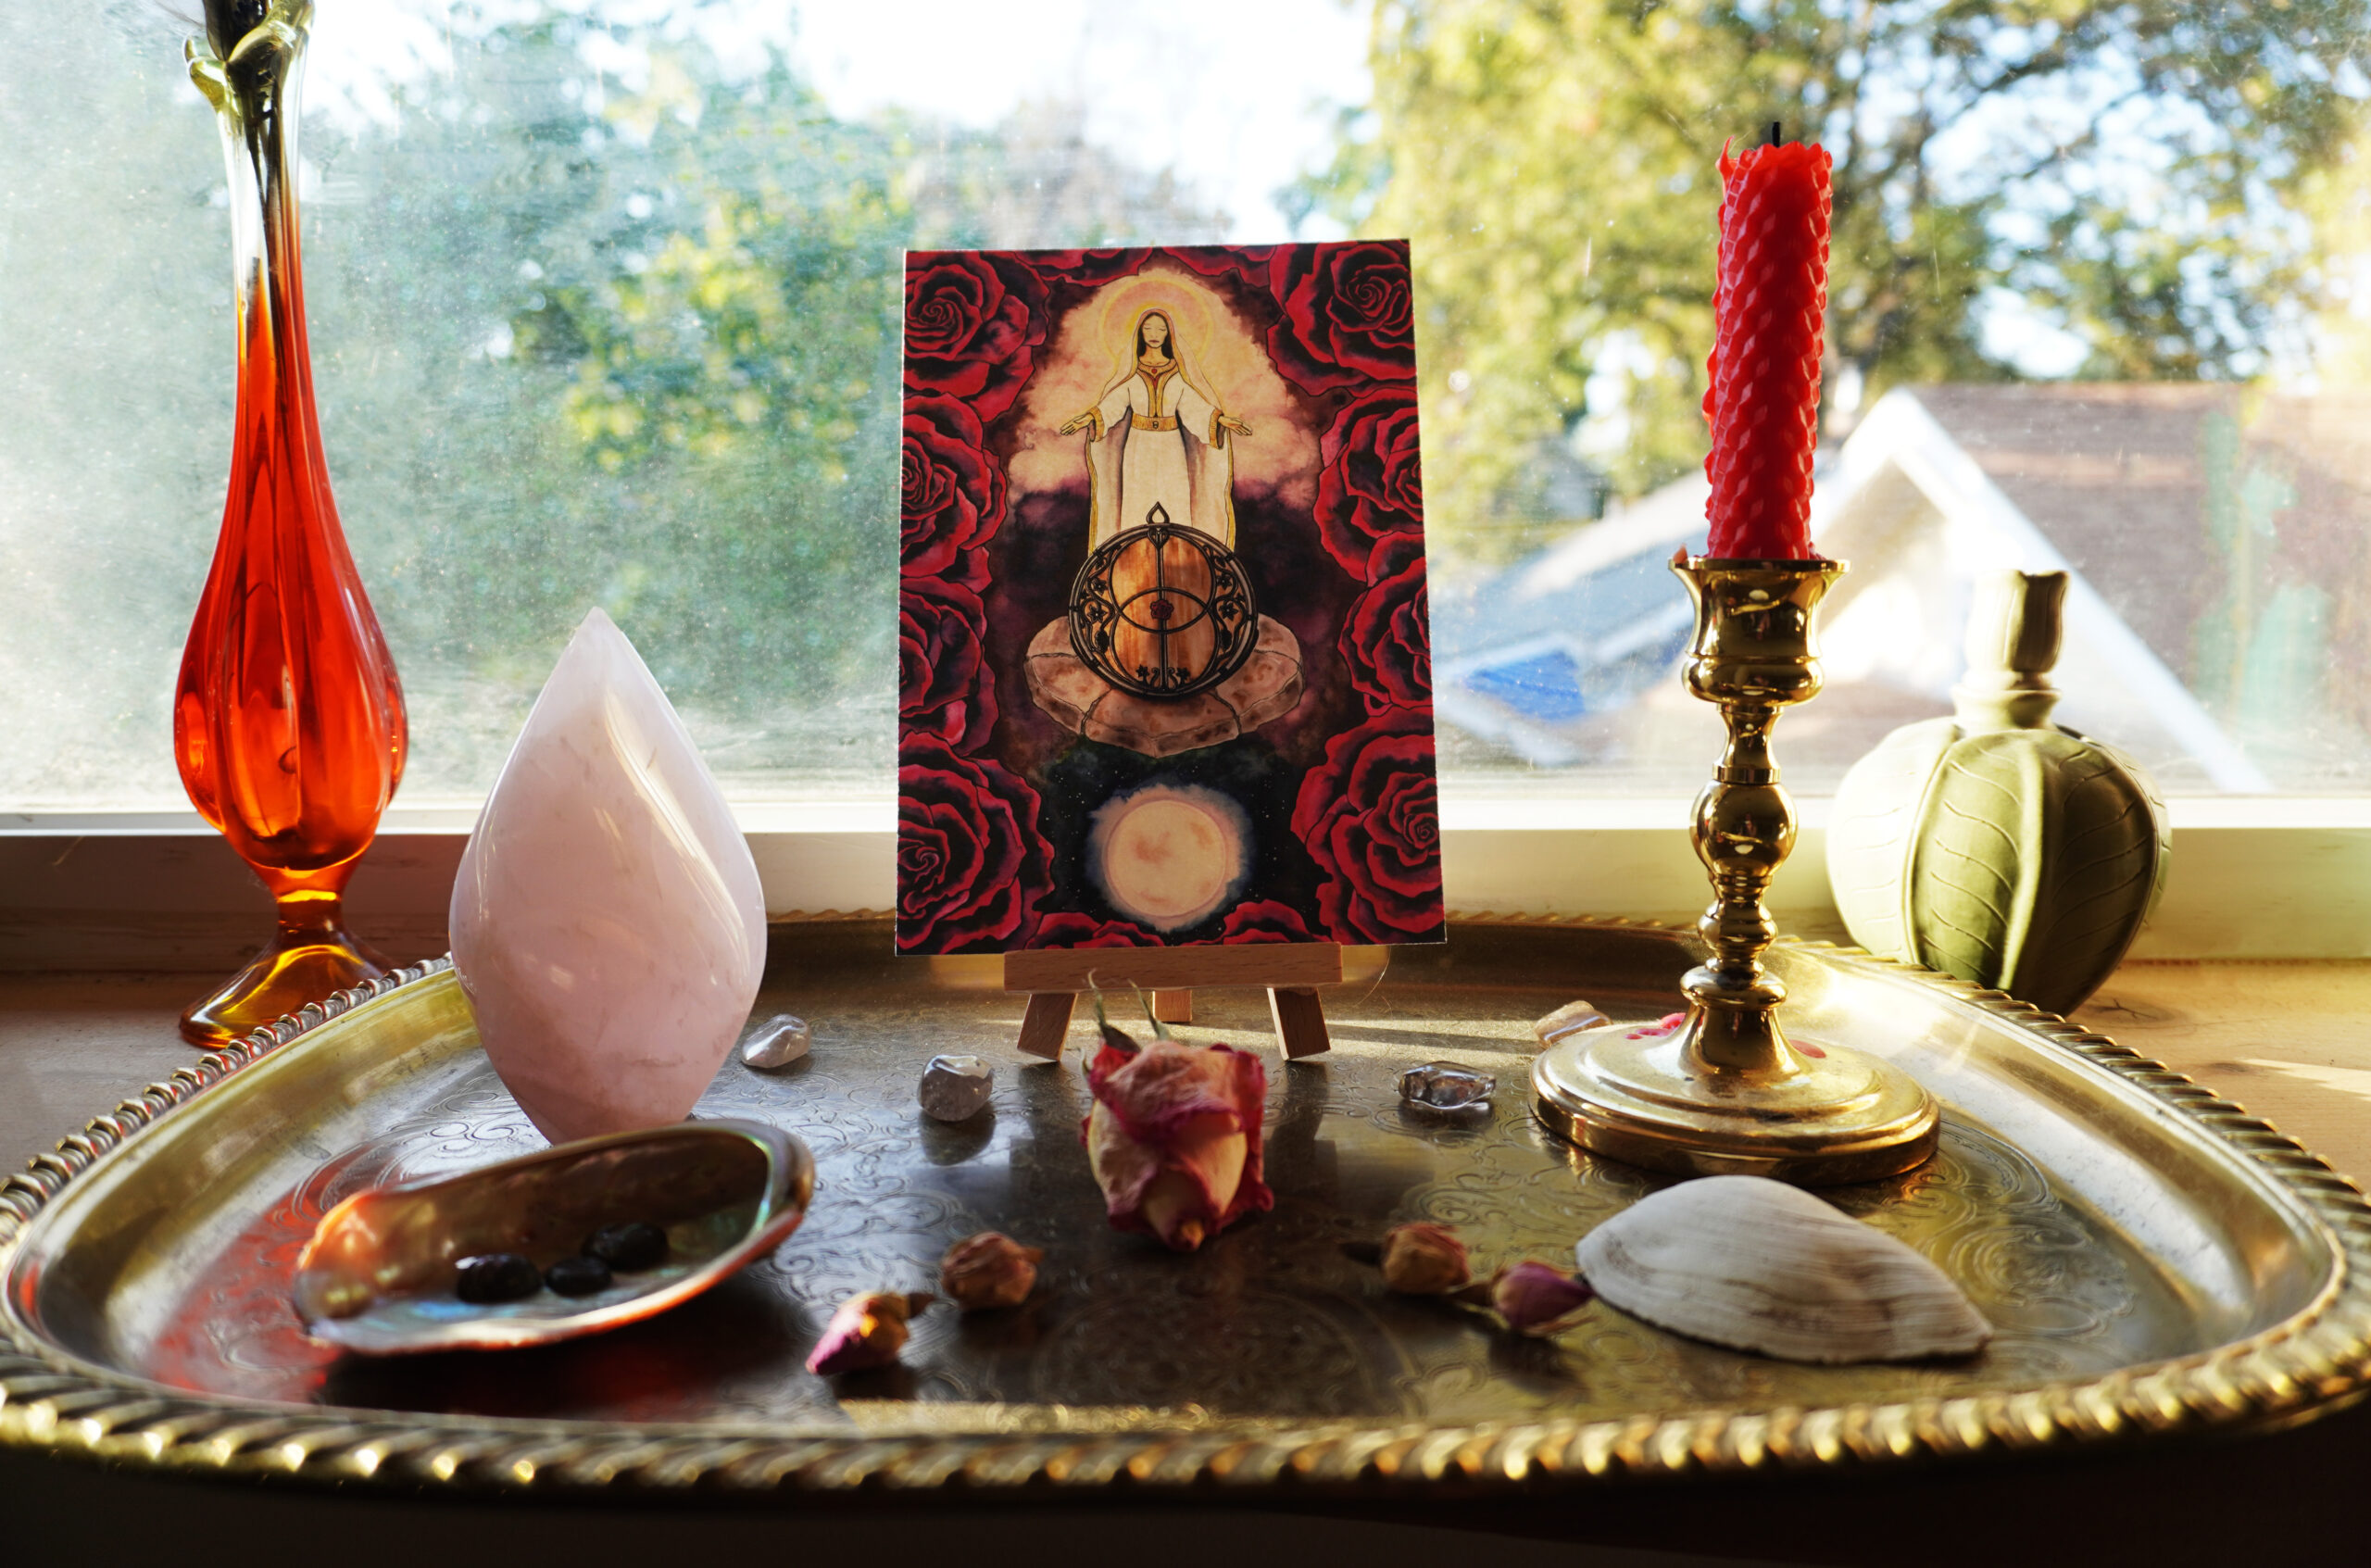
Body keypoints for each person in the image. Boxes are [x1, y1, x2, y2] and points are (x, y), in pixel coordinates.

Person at [1060, 309, 1252, 548]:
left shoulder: (1177, 373)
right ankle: (1134, 562)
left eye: (1161, 329)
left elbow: (1194, 408)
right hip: (1138, 448)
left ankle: (1177, 562)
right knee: (1138, 504)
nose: (1154, 334)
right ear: (1140, 333)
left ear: (1168, 334)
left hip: (1171, 448)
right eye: (1148, 328)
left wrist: (1221, 421)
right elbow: (1112, 405)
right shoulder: (1132, 373)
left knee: (1173, 502)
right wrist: (1088, 418)